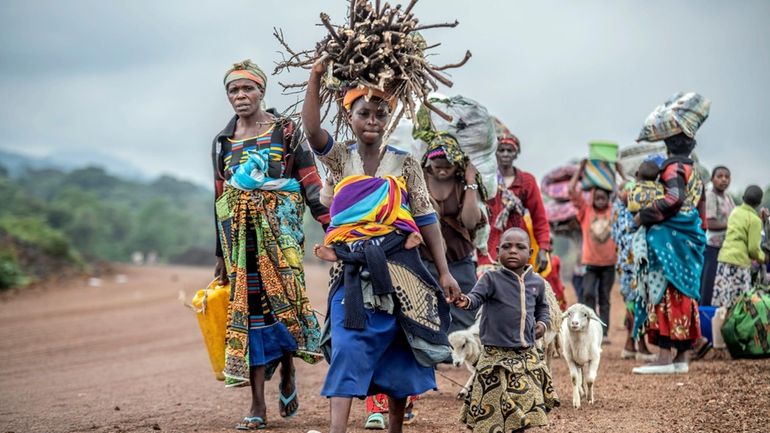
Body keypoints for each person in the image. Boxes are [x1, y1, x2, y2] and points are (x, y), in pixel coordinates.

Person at [302, 60, 461, 433]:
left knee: (399, 348)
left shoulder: (405, 163)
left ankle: (394, 428)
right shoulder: (341, 157)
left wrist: (444, 271)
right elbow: (311, 131)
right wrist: (315, 76)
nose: (372, 120)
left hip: (400, 265)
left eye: (380, 114)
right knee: (346, 345)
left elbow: (425, 217)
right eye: (364, 113)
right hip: (352, 270)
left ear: (388, 119)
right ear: (351, 117)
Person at [211, 60, 330, 430]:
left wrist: (333, 230)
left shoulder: (286, 130)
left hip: (282, 238)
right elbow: (219, 198)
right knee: (250, 316)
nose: (240, 96)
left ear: (261, 91)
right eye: (233, 90)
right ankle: (257, 403)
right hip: (240, 244)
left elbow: (311, 180)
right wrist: (221, 255)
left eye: (247, 89)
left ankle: (289, 370)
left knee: (285, 307)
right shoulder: (223, 142)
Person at [455, 227, 559, 432]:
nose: (513, 251)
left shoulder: (536, 283)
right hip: (494, 355)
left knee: (524, 402)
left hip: (525, 355)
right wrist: (464, 301)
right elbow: (475, 298)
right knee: (491, 406)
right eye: (507, 246)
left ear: (530, 254)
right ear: (496, 251)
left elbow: (543, 308)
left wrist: (542, 324)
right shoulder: (490, 279)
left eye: (520, 247)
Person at [631, 133, 707, 374]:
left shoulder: (673, 167)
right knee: (685, 293)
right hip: (690, 235)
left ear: (667, 145)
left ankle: (664, 357)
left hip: (671, 235)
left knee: (666, 289)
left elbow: (674, 199)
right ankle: (682, 356)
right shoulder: (696, 172)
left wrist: (643, 216)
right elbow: (699, 211)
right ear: (692, 145)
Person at [419, 132, 486, 333]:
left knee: (466, 308)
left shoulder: (462, 183)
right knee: (426, 310)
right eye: (437, 167)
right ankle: (434, 353)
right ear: (428, 161)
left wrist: (471, 182)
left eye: (448, 167)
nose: (441, 171)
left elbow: (470, 221)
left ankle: (459, 352)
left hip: (459, 259)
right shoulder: (418, 179)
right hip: (425, 258)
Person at [479, 133, 551, 274]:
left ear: (516, 153)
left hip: (518, 246)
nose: (505, 154)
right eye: (501, 150)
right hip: (489, 247)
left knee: (518, 289)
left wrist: (543, 249)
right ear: (495, 153)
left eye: (510, 150)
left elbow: (539, 218)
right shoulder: (486, 180)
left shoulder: (526, 182)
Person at [568, 159, 617, 342]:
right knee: (588, 294)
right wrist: (581, 169)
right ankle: (589, 328)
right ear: (593, 198)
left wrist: (617, 171)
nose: (601, 201)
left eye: (604, 198)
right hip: (590, 262)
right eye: (597, 198)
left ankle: (603, 333)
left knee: (604, 298)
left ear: (608, 199)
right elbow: (572, 191)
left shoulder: (613, 211)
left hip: (609, 263)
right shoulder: (586, 211)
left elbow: (625, 195)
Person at [612, 181, 656, 361]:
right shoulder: (623, 214)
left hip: (630, 267)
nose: (629, 193)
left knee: (635, 303)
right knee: (636, 304)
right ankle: (641, 346)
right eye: (625, 190)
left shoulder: (624, 211)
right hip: (629, 268)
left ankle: (630, 345)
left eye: (632, 191)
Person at [712, 185, 769, 308]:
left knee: (723, 303)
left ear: (743, 197)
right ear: (759, 202)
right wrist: (763, 257)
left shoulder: (735, 211)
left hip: (723, 259)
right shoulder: (755, 220)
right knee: (739, 306)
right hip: (739, 263)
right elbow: (753, 249)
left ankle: (716, 327)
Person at [700, 166, 735, 306]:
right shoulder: (711, 195)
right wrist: (733, 225)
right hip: (711, 246)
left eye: (727, 177)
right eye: (719, 176)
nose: (724, 180)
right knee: (709, 283)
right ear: (712, 179)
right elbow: (710, 223)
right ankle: (704, 316)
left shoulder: (728, 198)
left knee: (720, 283)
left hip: (725, 247)